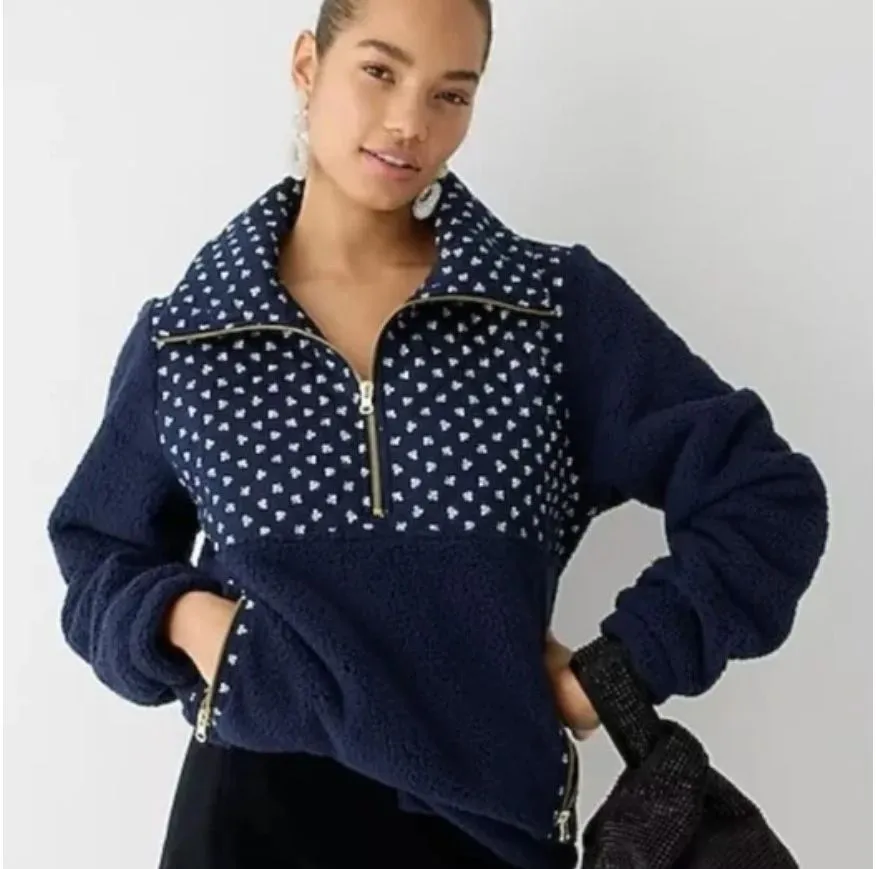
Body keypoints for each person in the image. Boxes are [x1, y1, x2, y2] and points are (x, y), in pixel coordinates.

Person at [46, 0, 829, 867]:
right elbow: (95, 550)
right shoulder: (192, 335)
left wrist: (620, 669)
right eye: (379, 71)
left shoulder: (546, 311)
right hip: (243, 824)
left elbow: (763, 494)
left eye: (450, 94)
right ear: (307, 66)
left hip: (486, 832)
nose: (409, 123)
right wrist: (186, 617)